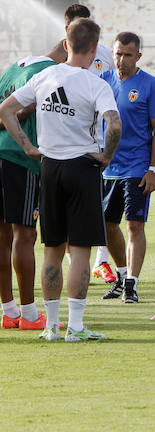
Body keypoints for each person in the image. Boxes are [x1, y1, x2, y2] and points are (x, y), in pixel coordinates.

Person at [0, 17, 121, 341]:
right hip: (82, 167)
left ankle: (51, 327)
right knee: (79, 250)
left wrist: (28, 147)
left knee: (52, 248)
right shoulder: (96, 84)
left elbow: (7, 109)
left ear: (66, 44)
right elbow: (115, 125)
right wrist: (107, 156)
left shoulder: (44, 76)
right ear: (94, 49)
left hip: (49, 168)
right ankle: (76, 327)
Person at [0, 40, 67, 331]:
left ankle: (9, 310)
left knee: (2, 238)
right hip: (21, 158)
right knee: (24, 235)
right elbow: (22, 110)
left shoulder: (14, 68)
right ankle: (28, 314)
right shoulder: (51, 74)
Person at [99, 32, 155, 304]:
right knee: (105, 225)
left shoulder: (149, 85)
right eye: (118, 54)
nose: (121, 60)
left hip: (137, 166)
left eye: (127, 55)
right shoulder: (103, 82)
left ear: (138, 56)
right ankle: (122, 275)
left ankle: (132, 284)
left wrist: (154, 169)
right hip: (107, 167)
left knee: (134, 225)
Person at [61, 5, 117, 284]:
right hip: (62, 148)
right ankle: (74, 264)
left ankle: (101, 262)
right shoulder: (54, 64)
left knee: (98, 208)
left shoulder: (105, 55)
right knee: (63, 217)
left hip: (93, 145)